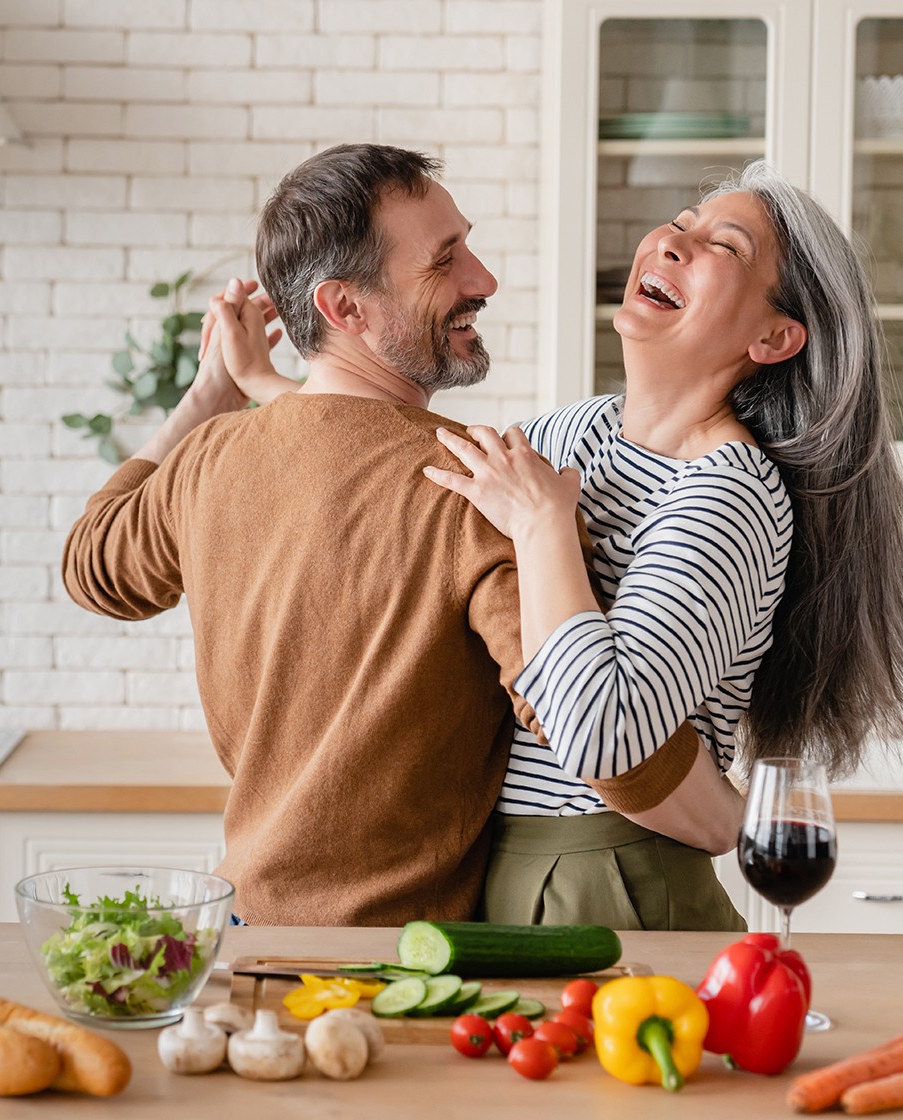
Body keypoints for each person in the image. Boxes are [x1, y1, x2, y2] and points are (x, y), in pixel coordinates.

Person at [211, 160, 903, 929]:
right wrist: (266, 383)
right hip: (505, 871)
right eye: (679, 224)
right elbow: (409, 461)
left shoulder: (727, 494)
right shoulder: (582, 430)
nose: (674, 244)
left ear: (774, 337)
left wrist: (544, 530)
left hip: (613, 879)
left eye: (724, 247)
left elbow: (606, 736)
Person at [62, 144, 689, 926]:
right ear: (345, 308)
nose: (483, 280)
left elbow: (91, 565)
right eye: (445, 262)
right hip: (395, 967)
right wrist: (734, 816)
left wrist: (205, 397)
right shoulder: (470, 485)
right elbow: (604, 739)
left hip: (243, 936)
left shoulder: (209, 460)